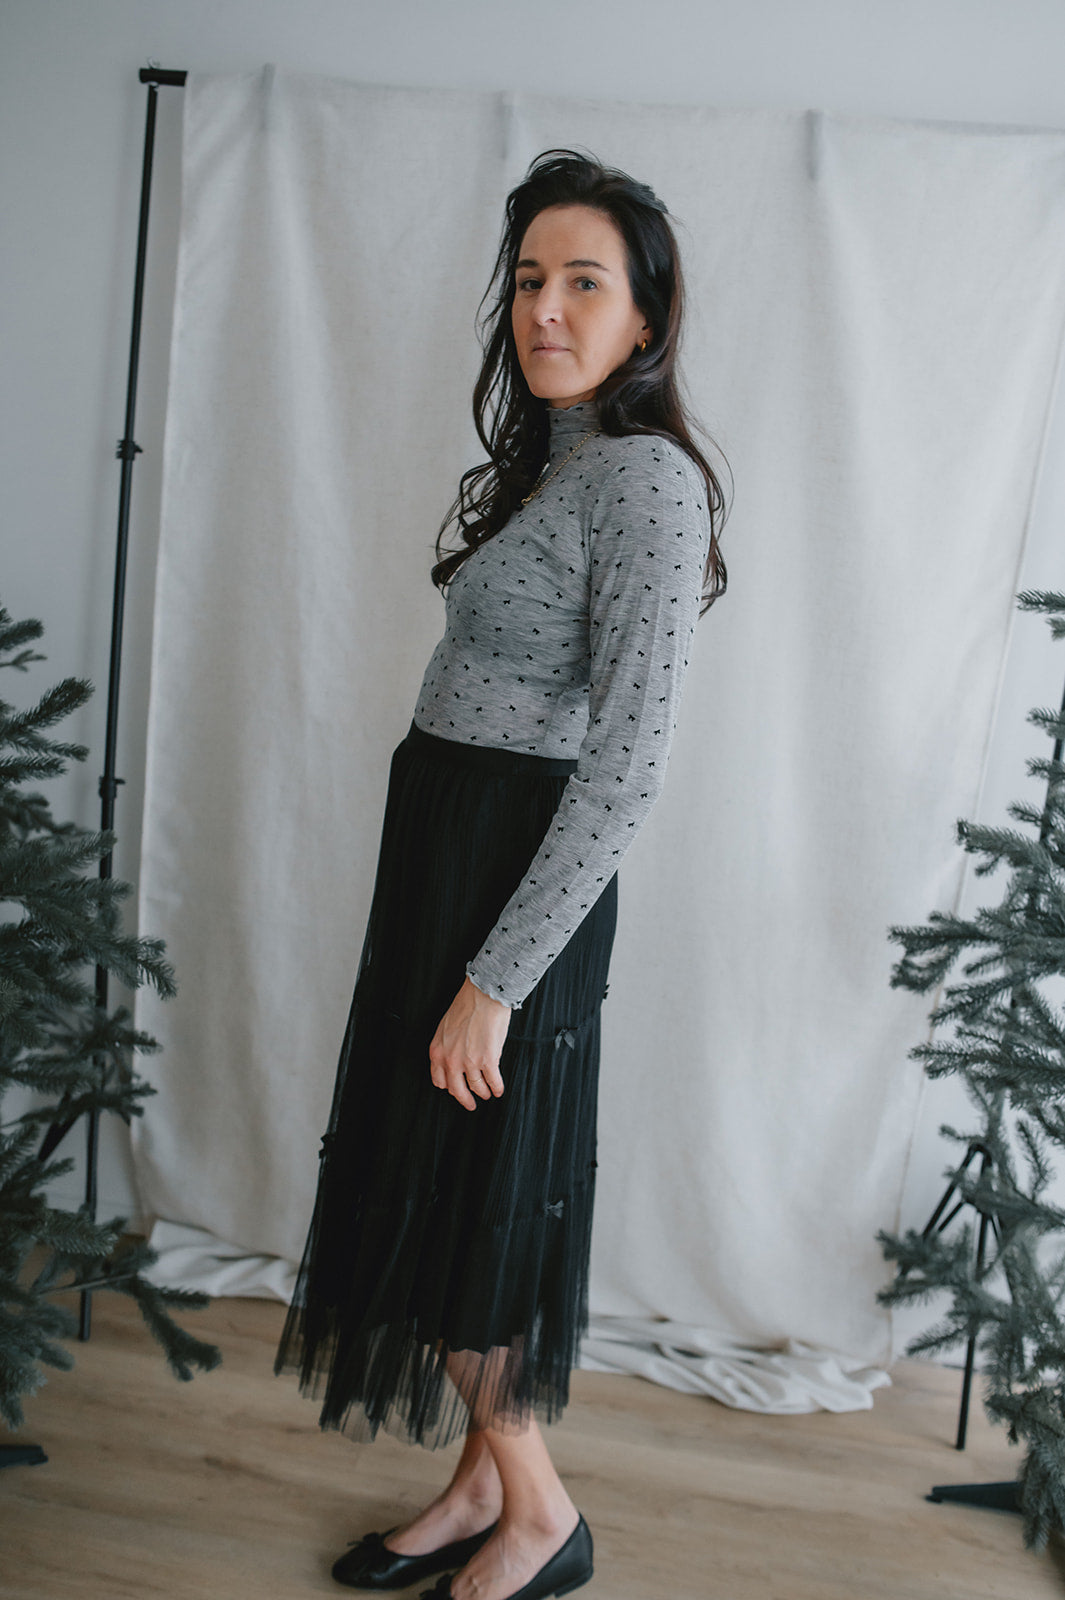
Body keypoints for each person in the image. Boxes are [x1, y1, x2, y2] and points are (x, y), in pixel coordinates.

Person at [274, 148, 728, 1600]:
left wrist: (493, 980)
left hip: (513, 887)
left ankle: (540, 1514)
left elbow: (628, 766)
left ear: (645, 317)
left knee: (460, 1193)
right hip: (451, 858)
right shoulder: (563, 463)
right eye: (529, 280)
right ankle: (480, 1480)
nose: (546, 309)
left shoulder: (647, 483)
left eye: (584, 283)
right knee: (444, 1186)